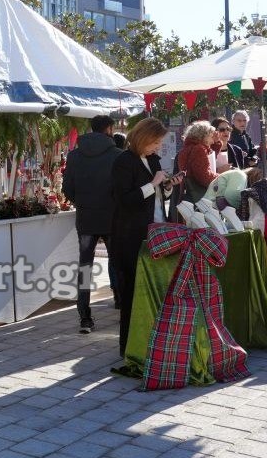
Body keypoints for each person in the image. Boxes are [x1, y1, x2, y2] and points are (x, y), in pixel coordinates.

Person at [110, 118, 179, 358]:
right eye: (155, 142)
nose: (158, 147)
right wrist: (153, 184)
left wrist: (168, 186)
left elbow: (158, 195)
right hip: (131, 236)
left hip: (156, 230)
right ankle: (128, 346)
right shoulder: (123, 162)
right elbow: (125, 200)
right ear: (142, 138)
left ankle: (153, 339)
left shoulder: (153, 160)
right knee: (131, 292)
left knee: (156, 288)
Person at [62, 115, 124, 334]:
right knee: (119, 263)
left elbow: (67, 188)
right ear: (109, 129)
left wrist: (84, 202)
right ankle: (122, 305)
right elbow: (122, 189)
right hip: (112, 217)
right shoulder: (118, 155)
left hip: (86, 217)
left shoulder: (75, 155)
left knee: (85, 266)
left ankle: (85, 316)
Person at [174, 121, 221, 204]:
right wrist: (223, 177)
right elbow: (204, 177)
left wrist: (216, 144)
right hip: (200, 197)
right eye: (211, 137)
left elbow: (207, 159)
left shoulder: (187, 149)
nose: (213, 141)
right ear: (204, 136)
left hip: (189, 195)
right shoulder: (199, 149)